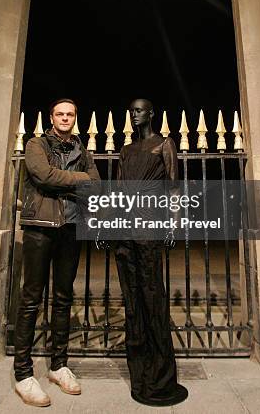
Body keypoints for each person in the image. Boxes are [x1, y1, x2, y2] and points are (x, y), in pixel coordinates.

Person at [14, 98, 100, 407]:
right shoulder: (36, 143)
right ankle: (23, 374)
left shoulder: (83, 150)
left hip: (71, 227)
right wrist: (78, 179)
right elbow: (43, 176)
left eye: (70, 114)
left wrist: (72, 182)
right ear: (52, 117)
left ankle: (58, 366)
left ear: (76, 118)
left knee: (63, 298)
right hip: (40, 227)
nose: (65, 118)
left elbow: (97, 185)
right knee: (31, 299)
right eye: (60, 113)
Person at [114, 98, 188, 406]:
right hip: (126, 230)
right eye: (131, 111)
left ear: (151, 113)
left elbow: (172, 188)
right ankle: (140, 373)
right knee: (132, 300)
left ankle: (160, 376)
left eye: (139, 110)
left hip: (150, 227)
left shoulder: (164, 145)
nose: (134, 115)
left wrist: (173, 225)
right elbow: (117, 190)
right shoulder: (127, 150)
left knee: (152, 296)